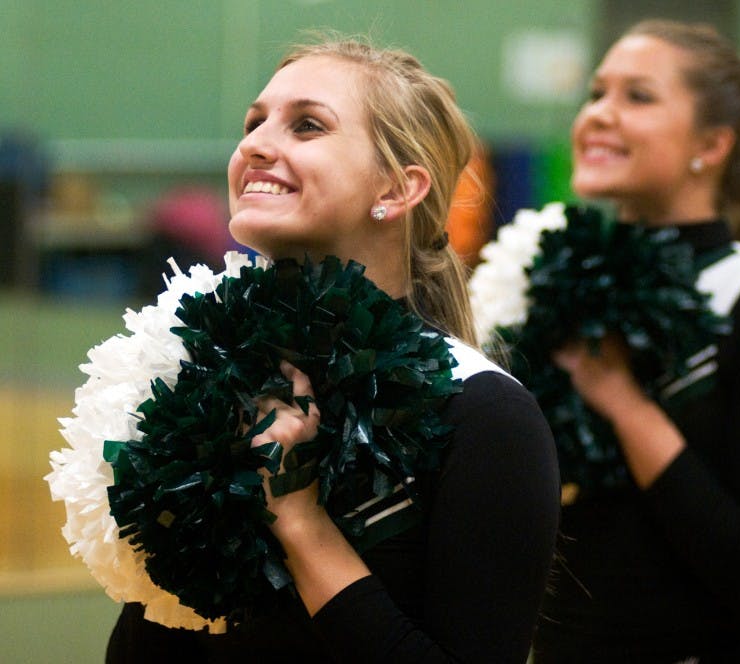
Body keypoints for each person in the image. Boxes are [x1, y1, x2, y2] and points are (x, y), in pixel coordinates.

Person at [106, 36, 560, 663]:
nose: (255, 145)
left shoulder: (484, 414)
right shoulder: (205, 380)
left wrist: (298, 519)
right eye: (254, 122)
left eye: (308, 126)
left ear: (398, 190)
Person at [529, 20, 740, 663]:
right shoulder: (556, 280)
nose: (599, 115)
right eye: (596, 93)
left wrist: (625, 403)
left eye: (637, 97)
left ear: (712, 144)